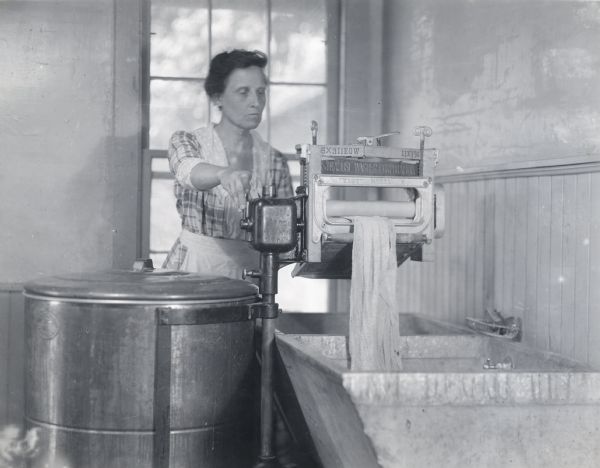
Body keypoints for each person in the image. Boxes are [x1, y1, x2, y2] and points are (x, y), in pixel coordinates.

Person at [163, 49, 294, 279]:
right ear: (217, 98)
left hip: (250, 275)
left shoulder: (274, 161)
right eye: (243, 92)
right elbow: (187, 170)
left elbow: (284, 234)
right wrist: (223, 174)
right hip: (193, 271)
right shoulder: (189, 142)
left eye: (261, 92)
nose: (256, 102)